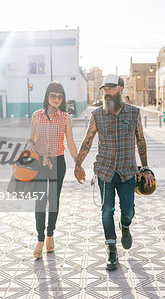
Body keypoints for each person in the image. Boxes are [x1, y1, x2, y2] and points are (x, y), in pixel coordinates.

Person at [74, 74, 155, 270]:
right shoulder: (97, 115)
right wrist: (78, 164)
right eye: (104, 89)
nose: (107, 92)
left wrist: (145, 169)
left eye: (110, 88)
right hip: (105, 171)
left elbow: (141, 141)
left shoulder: (134, 114)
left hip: (128, 172)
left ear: (121, 88)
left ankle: (125, 226)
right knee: (106, 210)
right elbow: (87, 141)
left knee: (128, 211)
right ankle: (111, 249)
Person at [28, 81, 78, 258]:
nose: (56, 99)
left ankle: (50, 235)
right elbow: (31, 139)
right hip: (40, 163)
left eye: (59, 96)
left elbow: (70, 142)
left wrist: (78, 163)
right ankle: (40, 239)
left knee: (54, 201)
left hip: (58, 163)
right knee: (40, 201)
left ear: (62, 98)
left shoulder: (65, 118)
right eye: (53, 95)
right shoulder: (37, 115)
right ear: (47, 96)